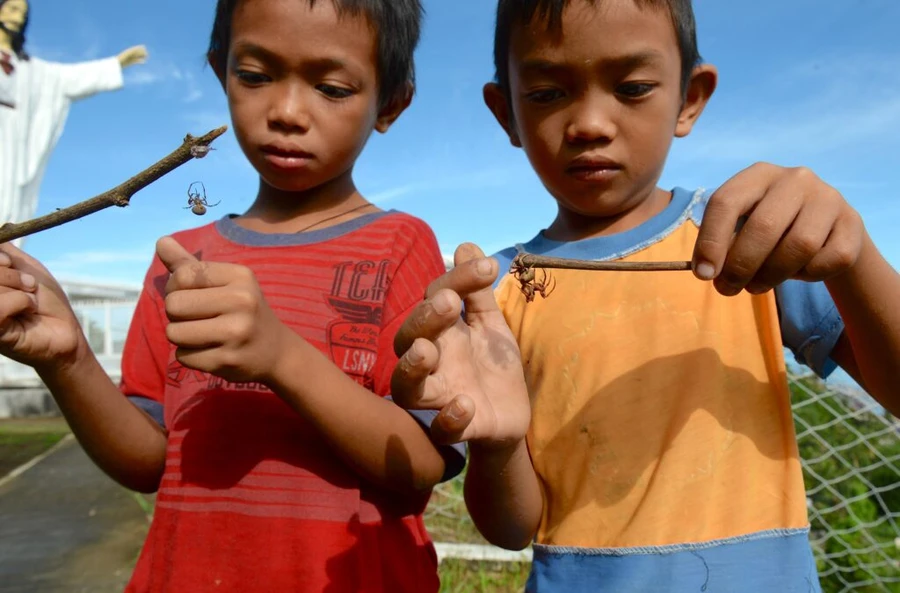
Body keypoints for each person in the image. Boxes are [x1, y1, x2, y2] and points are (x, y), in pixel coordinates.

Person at [389, 1, 900, 591]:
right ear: (506, 113)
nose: (590, 124)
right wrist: (499, 445)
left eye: (631, 87)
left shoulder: (747, 237)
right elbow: (511, 529)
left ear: (689, 98)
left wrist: (855, 255)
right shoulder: (492, 295)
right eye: (548, 93)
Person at [0, 0, 461, 591]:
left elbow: (420, 464)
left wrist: (281, 357)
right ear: (221, 72)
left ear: (391, 103)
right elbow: (148, 464)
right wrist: (67, 361)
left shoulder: (401, 244)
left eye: (331, 87)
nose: (288, 111)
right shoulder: (181, 263)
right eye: (256, 76)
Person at [0, 0, 148, 245]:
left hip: (14, 145)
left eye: (22, 14)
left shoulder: (31, 70)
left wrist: (116, 63)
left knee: (9, 195)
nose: (17, 17)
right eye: (12, 9)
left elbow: (66, 78)